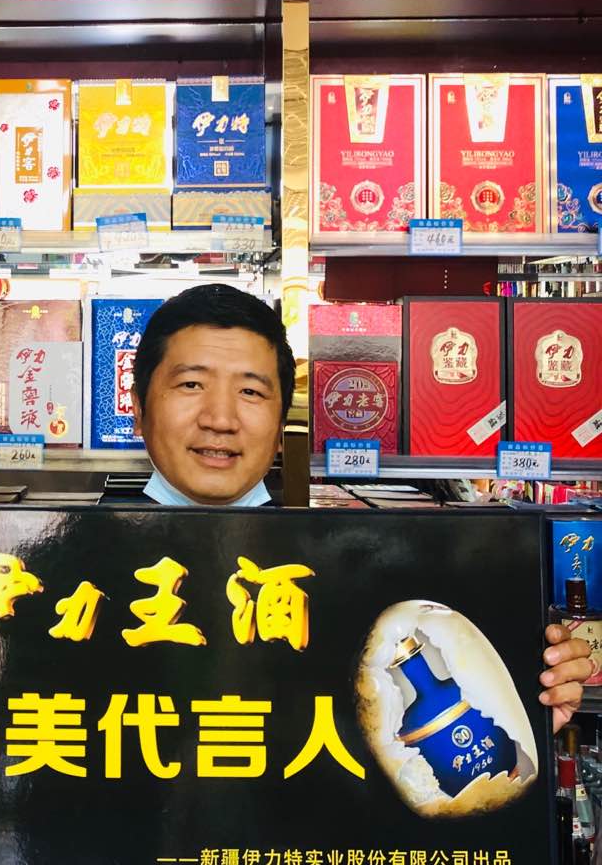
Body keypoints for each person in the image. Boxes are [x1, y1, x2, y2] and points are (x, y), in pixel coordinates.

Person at [130, 283, 591, 730]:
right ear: (138, 408)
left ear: (280, 422)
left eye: (250, 391)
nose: (220, 419)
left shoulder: (351, 576)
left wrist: (528, 709)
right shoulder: (88, 571)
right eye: (191, 384)